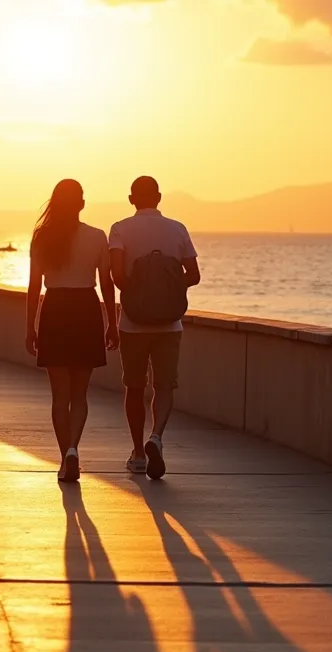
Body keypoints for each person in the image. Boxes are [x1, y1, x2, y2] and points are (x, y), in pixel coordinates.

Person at [24, 179, 118, 483]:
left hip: (55, 309)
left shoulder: (42, 237)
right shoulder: (96, 237)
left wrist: (30, 327)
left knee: (58, 396)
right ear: (81, 203)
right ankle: (75, 448)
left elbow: (34, 285)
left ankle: (66, 455)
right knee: (80, 394)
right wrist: (112, 324)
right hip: (86, 310)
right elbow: (107, 284)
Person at [108, 176, 200, 480]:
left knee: (134, 387)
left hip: (133, 323)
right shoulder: (178, 229)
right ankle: (157, 437)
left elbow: (117, 276)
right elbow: (194, 275)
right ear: (159, 197)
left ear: (132, 198)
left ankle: (137, 453)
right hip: (169, 324)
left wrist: (141, 290)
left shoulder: (120, 229)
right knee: (164, 386)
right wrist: (167, 286)